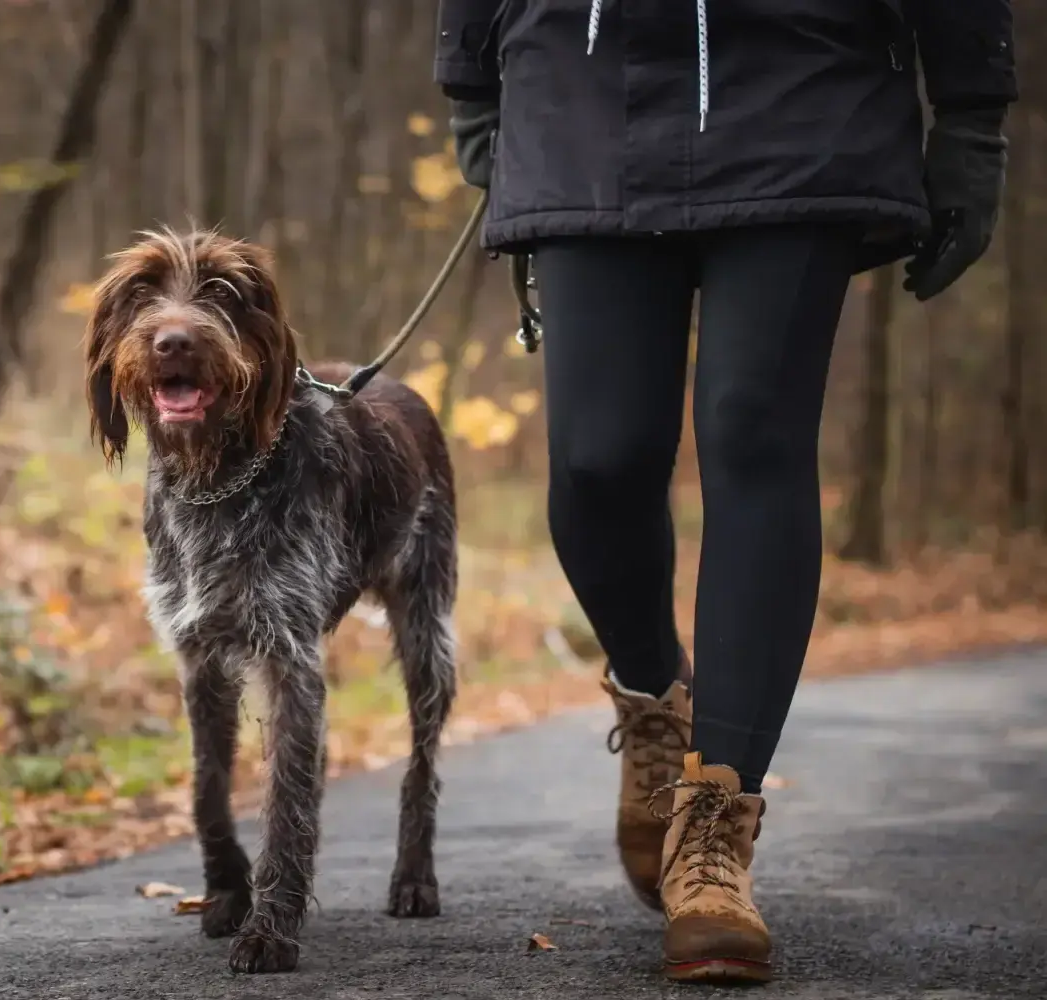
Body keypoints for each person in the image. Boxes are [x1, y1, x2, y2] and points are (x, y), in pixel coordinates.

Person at [435, 0, 1016, 984]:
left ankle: (715, 824)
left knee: (755, 433)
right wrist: (470, 78)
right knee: (597, 459)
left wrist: (972, 109)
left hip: (805, 71)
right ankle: (659, 699)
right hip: (583, 78)